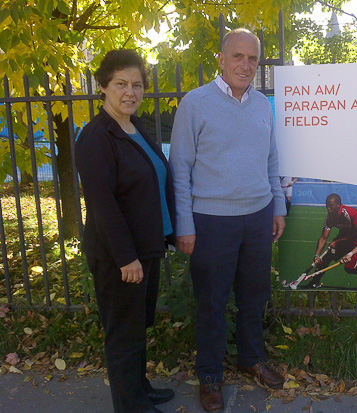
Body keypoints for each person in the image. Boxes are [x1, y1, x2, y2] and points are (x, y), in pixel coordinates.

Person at [169, 28, 286, 412]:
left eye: (253, 59)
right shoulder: (196, 103)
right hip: (211, 221)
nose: (246, 65)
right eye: (238, 56)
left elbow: (271, 161)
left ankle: (251, 359)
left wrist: (278, 207)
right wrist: (184, 223)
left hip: (257, 217)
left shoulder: (261, 105)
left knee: (254, 297)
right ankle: (210, 376)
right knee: (212, 302)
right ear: (221, 59)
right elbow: (180, 168)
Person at [75, 49, 176, 413]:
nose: (129, 91)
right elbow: (103, 205)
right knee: (123, 334)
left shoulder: (135, 128)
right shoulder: (95, 137)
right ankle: (130, 405)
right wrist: (126, 257)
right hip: (120, 256)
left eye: (136, 84)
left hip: (146, 248)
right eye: (120, 84)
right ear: (103, 86)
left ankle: (139, 388)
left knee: (137, 327)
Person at [303, 193, 357, 288]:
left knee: (350, 268)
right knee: (324, 259)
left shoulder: (351, 213)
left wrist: (337, 242)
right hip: (344, 237)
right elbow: (323, 237)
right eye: (327, 206)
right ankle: (314, 282)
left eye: (331, 206)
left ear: (338, 205)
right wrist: (317, 255)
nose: (328, 209)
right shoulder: (329, 218)